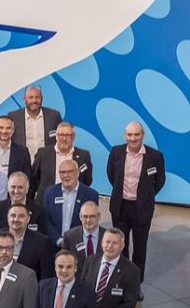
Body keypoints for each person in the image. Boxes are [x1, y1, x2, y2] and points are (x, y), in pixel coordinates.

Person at [105, 121, 165, 287]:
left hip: (142, 209)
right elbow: (111, 175)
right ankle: (121, 281)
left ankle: (135, 285)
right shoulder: (116, 152)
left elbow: (160, 181)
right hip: (120, 207)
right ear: (125, 135)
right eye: (129, 135)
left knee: (140, 249)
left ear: (142, 135)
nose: (133, 138)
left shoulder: (155, 156)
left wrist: (146, 196)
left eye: (136, 134)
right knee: (120, 247)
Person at [30, 122, 93, 204]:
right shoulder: (43, 154)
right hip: (46, 202)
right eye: (61, 135)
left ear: (73, 137)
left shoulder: (84, 156)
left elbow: (87, 180)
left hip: (73, 202)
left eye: (68, 135)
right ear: (56, 136)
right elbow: (33, 178)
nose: (64, 139)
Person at [42, 159, 100, 245]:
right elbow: (46, 221)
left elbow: (91, 223)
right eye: (62, 172)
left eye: (70, 171)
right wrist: (59, 241)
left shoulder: (91, 195)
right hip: (54, 245)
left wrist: (73, 241)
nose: (66, 175)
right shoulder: (50, 193)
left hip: (79, 245)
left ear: (77, 173)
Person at [6, 85, 62, 160]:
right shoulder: (13, 117)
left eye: (37, 97)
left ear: (42, 98)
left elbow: (61, 140)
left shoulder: (54, 116)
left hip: (47, 163)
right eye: (31, 97)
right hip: (21, 163)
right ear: (24, 99)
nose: (34, 100)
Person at [62, 201, 105, 274]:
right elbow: (64, 261)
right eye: (85, 216)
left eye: (92, 216)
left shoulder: (107, 236)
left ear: (99, 217)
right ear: (80, 217)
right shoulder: (70, 236)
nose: (88, 220)